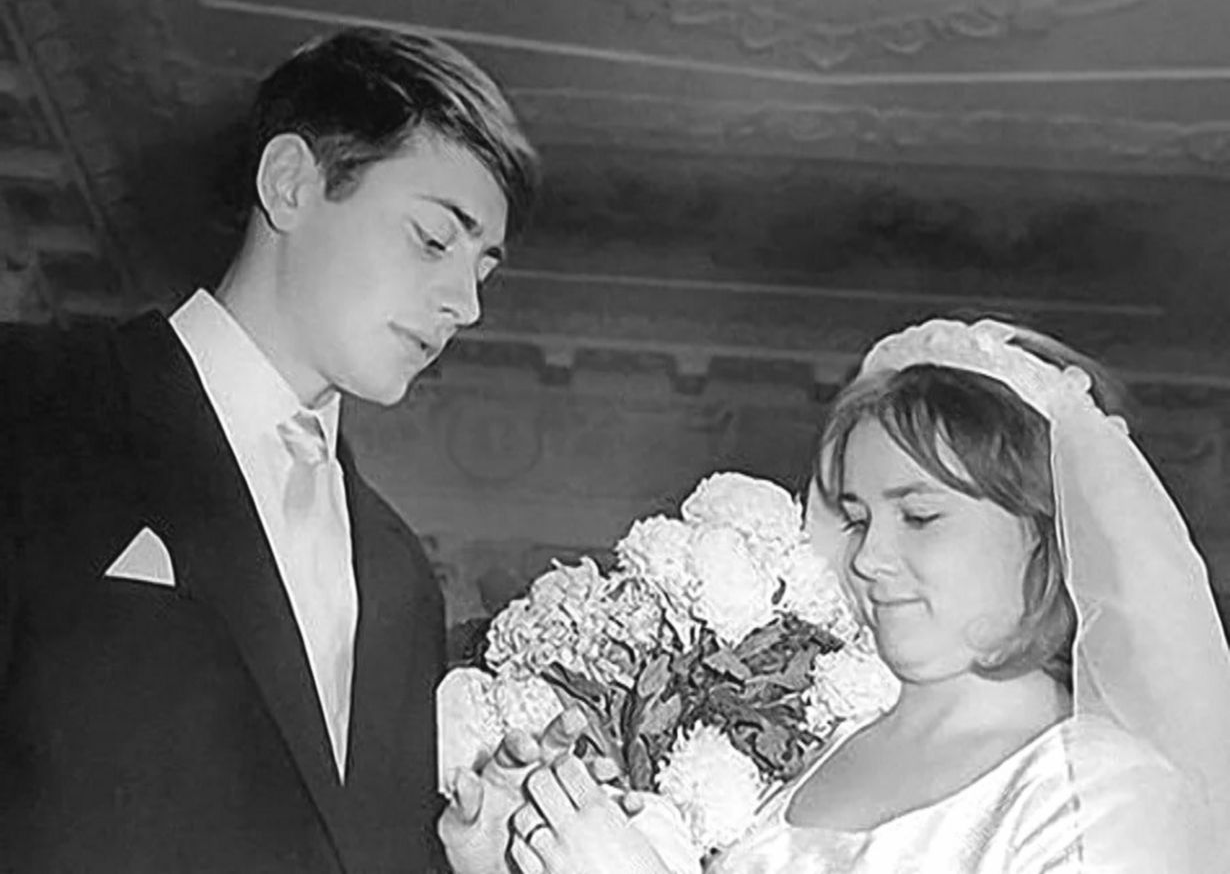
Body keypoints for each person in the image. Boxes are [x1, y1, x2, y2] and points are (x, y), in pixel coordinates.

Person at [0, 26, 537, 873]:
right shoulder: (31, 400)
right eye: (435, 239)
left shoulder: (399, 574)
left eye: (483, 269)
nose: (465, 305)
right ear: (290, 183)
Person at [502, 317, 1230, 873]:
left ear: (1045, 532)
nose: (869, 557)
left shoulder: (1106, 797)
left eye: (920, 516)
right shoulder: (807, 746)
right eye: (856, 518)